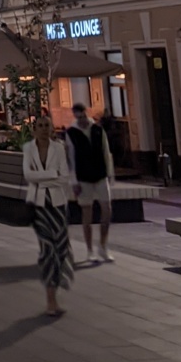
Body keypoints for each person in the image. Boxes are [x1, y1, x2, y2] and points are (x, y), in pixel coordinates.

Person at [23, 113, 75, 316]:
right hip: (38, 205)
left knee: (61, 249)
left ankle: (57, 285)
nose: (44, 128)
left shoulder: (59, 148)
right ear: (34, 129)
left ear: (52, 129)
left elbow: (64, 178)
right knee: (47, 251)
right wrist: (51, 176)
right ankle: (50, 300)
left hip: (58, 205)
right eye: (40, 125)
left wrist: (42, 179)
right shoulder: (28, 149)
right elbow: (28, 175)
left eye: (47, 125)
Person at [66, 103, 116, 263]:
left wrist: (110, 174)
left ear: (86, 114)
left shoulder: (97, 130)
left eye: (82, 116)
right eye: (77, 117)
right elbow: (71, 158)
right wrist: (74, 181)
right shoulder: (71, 133)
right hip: (83, 177)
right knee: (86, 212)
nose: (80, 120)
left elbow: (105, 152)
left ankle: (103, 245)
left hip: (100, 174)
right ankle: (89, 250)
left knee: (106, 209)